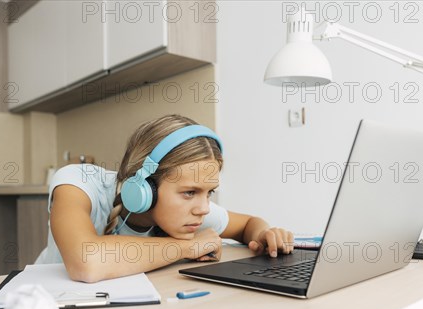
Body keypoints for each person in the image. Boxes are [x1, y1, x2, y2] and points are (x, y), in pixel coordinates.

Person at [35, 114, 294, 282]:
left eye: (209, 192)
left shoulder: (188, 212)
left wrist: (265, 235)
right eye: (190, 192)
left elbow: (249, 224)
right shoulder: (78, 182)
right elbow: (87, 262)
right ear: (144, 188)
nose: (203, 209)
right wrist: (187, 247)